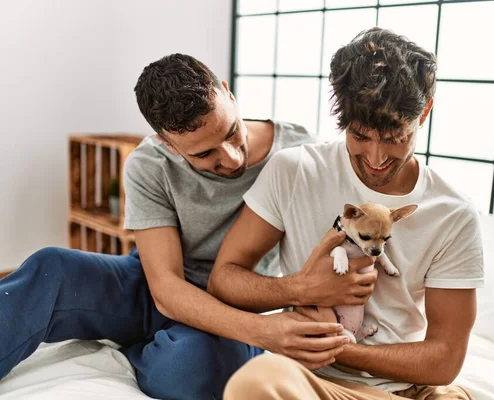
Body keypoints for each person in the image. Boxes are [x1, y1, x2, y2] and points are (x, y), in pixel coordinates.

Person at [0, 54, 376, 400]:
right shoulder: (149, 164)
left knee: (188, 370)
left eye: (230, 132)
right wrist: (263, 334)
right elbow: (164, 286)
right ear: (168, 143)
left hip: (239, 302)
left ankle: (147, 349)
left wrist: (269, 323)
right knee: (51, 268)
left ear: (228, 94)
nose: (229, 158)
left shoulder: (297, 153)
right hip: (157, 285)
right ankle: (153, 336)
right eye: (204, 154)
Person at [208, 27, 484, 400]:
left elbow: (445, 359)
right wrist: (299, 287)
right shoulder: (295, 170)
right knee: (255, 382)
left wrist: (340, 347)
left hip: (397, 392)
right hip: (308, 383)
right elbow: (223, 280)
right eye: (360, 135)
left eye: (394, 138)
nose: (375, 158)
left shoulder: (452, 214)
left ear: (425, 112)